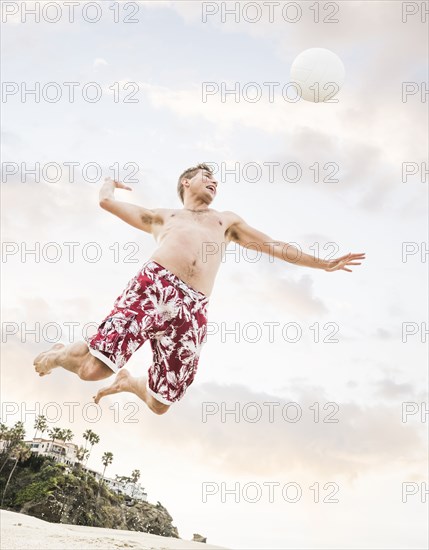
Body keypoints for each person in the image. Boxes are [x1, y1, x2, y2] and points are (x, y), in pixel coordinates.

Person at [33, 163, 365, 415]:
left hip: (193, 309)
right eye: (206, 176)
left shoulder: (226, 221)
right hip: (155, 288)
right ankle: (60, 354)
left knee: (162, 402)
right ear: (186, 182)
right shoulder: (164, 216)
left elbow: (273, 245)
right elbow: (106, 202)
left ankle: (129, 383)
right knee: (92, 371)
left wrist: (322, 263)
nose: (213, 182)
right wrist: (109, 182)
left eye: (216, 181)